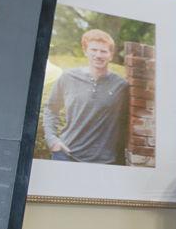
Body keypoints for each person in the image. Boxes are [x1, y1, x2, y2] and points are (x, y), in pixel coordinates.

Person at [40, 29, 131, 164]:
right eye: (94, 50)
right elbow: (51, 109)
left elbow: (126, 122)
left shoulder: (121, 86)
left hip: (104, 162)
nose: (98, 55)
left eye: (103, 51)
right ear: (85, 51)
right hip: (66, 155)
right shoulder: (68, 77)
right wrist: (52, 140)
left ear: (111, 55)